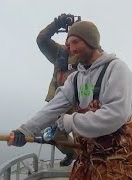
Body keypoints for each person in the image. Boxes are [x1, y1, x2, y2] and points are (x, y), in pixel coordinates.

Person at [8, 20, 132, 179]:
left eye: (76, 42)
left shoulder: (117, 70)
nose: (72, 49)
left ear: (91, 42)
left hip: (116, 157)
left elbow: (115, 115)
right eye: (69, 44)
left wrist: (69, 121)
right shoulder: (75, 78)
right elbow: (53, 108)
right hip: (86, 155)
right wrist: (24, 131)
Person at [36, 13, 80, 166]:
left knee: (83, 134)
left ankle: (84, 159)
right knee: (54, 134)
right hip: (58, 100)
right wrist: (56, 24)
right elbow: (41, 40)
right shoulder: (58, 51)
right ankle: (72, 154)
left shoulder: (87, 52)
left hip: (79, 102)